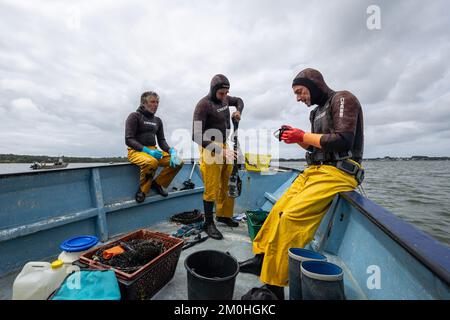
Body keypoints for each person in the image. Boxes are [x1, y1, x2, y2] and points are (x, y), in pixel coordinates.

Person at [239, 68, 364, 300]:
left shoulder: (344, 98)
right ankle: (262, 258)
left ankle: (274, 286)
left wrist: (302, 136)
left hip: (338, 173)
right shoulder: (315, 113)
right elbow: (316, 145)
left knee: (291, 217)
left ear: (314, 85)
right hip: (314, 171)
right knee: (277, 211)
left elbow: (343, 139)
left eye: (300, 92)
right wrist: (295, 138)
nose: (298, 98)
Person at [192, 74, 244, 240]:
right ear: (214, 90)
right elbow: (195, 135)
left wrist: (238, 111)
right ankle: (208, 223)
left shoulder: (226, 99)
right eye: (221, 93)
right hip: (210, 148)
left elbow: (240, 101)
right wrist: (220, 151)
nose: (224, 96)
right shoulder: (203, 105)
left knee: (228, 181)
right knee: (212, 186)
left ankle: (223, 215)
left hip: (224, 145)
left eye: (226, 93)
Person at [125, 91, 183, 202]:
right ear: (143, 103)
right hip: (136, 151)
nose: (155, 105)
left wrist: (171, 151)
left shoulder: (157, 120)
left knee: (178, 162)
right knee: (152, 162)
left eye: (157, 102)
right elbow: (128, 139)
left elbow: (161, 141)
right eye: (152, 102)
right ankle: (143, 190)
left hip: (153, 150)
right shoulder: (134, 116)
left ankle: (157, 184)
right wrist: (147, 151)